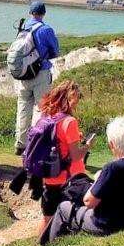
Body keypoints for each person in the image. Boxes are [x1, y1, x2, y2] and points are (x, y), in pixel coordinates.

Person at [43, 116, 124, 243]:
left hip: (106, 225)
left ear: (111, 144)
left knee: (63, 207)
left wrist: (97, 179)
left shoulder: (112, 168)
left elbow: (89, 202)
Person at [34, 81, 91, 234]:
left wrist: (74, 139)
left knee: (47, 217)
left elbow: (58, 141)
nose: (76, 104)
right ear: (68, 99)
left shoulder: (47, 117)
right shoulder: (70, 121)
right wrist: (87, 146)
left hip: (49, 177)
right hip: (69, 180)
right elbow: (75, 155)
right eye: (75, 100)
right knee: (72, 215)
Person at [14, 0, 60, 154]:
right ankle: (36, 143)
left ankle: (20, 143)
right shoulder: (46, 30)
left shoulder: (23, 27)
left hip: (23, 74)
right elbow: (55, 50)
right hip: (40, 72)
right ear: (44, 13)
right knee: (42, 109)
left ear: (30, 13)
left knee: (23, 108)